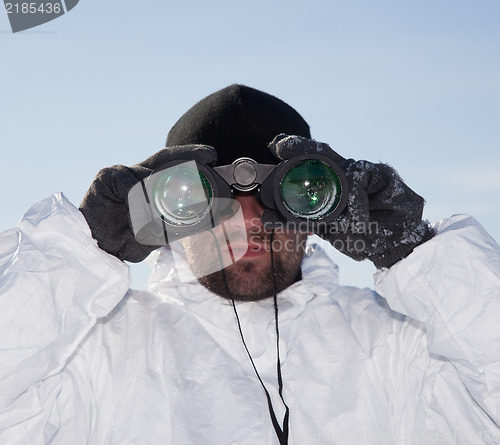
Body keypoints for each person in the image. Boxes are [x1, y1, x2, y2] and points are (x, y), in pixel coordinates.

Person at [0, 84, 499, 445]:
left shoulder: (398, 345)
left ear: (320, 207)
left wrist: (421, 255)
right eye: (204, 196)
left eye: (284, 194)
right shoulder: (96, 353)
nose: (247, 218)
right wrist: (76, 252)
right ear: (164, 211)